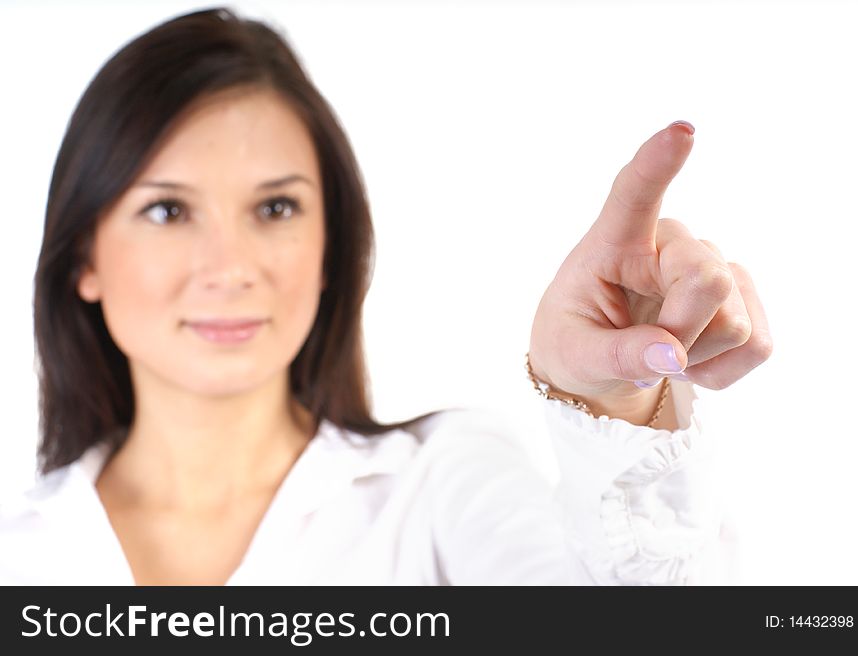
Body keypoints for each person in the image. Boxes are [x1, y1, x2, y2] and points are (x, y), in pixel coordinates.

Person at [0, 7, 771, 585]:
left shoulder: (442, 487)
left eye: (276, 209)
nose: (229, 267)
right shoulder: (24, 554)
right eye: (167, 210)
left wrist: (616, 403)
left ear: (331, 247)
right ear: (82, 260)